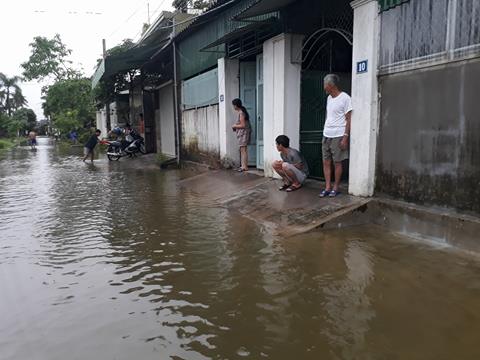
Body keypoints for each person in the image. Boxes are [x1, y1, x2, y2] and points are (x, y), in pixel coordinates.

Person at [319, 74, 352, 198]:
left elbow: (349, 119)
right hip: (326, 134)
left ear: (331, 85)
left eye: (325, 85)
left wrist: (345, 137)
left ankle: (336, 187)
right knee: (326, 162)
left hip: (338, 135)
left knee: (337, 162)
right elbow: (329, 116)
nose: (324, 88)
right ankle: (327, 187)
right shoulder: (329, 98)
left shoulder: (345, 98)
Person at [231, 98, 251, 172]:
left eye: (233, 105)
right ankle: (243, 166)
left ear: (236, 105)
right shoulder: (241, 112)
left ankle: (244, 166)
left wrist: (234, 126)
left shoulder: (241, 113)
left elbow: (243, 125)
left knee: (243, 150)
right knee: (243, 149)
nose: (233, 107)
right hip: (244, 133)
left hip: (244, 133)